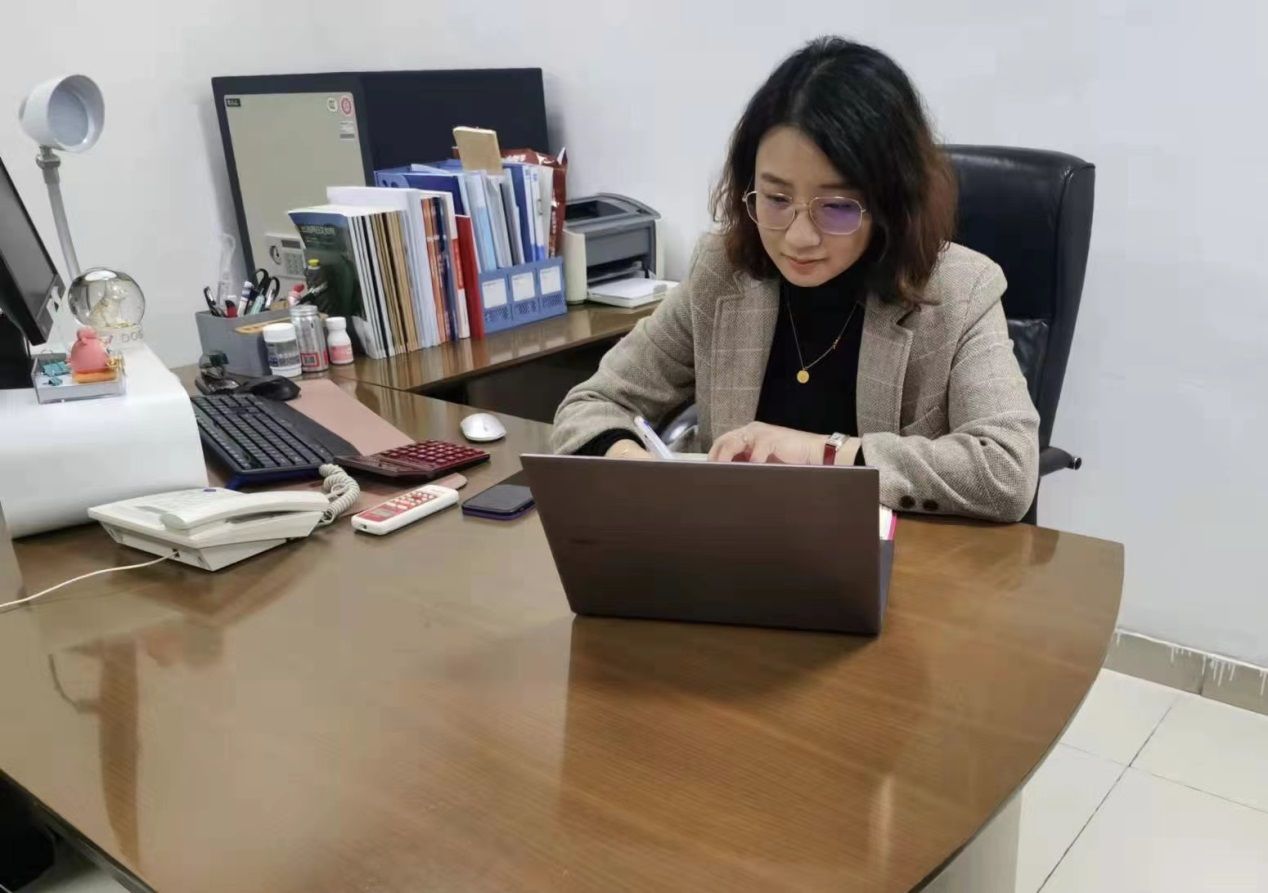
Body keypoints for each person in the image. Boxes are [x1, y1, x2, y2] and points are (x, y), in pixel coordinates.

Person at [551, 36, 1039, 523]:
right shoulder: (723, 272)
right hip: (737, 551)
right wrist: (638, 469)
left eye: (838, 206)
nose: (799, 238)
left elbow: (1007, 470)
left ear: (891, 203)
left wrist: (823, 453)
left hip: (900, 560)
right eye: (777, 199)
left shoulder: (958, 291)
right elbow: (592, 404)